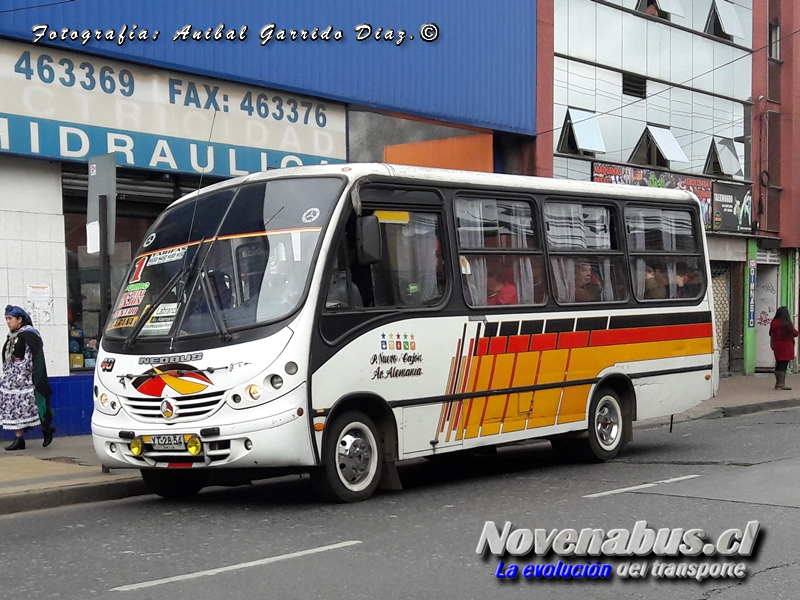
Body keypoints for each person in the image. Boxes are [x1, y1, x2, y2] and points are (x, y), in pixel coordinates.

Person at [1, 305, 55, 451]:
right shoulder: (13, 335)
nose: (8, 321)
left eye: (10, 318)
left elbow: (34, 357)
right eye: (6, 318)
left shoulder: (30, 334)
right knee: (13, 408)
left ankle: (46, 428)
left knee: (31, 407)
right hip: (11, 379)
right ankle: (19, 439)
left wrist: (26, 373)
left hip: (25, 379)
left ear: (20, 319)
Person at [769, 306, 798, 391]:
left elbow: (770, 333)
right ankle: (781, 384)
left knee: (779, 363)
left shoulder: (774, 323)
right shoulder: (787, 324)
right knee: (784, 365)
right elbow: (795, 333)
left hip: (777, 346)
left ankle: (778, 383)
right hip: (787, 347)